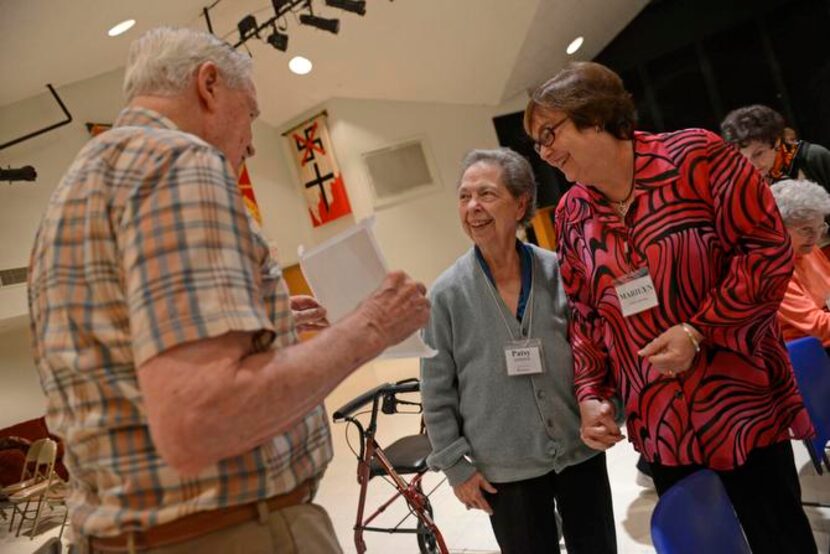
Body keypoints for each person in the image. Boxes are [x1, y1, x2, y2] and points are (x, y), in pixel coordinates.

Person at [27, 27, 430, 554]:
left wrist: (250, 312)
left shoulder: (75, 191)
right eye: (251, 113)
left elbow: (125, 348)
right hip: (232, 534)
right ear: (209, 85)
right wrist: (373, 325)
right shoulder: (179, 162)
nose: (252, 140)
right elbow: (201, 421)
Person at [524, 62, 817, 554]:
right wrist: (593, 391)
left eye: (550, 133)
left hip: (739, 402)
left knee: (779, 537)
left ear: (595, 118)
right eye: (537, 143)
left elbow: (766, 251)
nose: (545, 151)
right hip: (661, 418)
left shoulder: (697, 158)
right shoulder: (573, 214)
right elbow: (586, 315)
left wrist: (698, 330)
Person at [420, 148, 617, 554]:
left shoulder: (560, 271)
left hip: (579, 450)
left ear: (521, 202)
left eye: (486, 195)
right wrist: (457, 467)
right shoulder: (446, 295)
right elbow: (436, 391)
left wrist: (609, 405)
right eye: (463, 196)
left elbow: (599, 349)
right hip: (505, 469)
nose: (472, 207)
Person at [770, 179, 830, 346]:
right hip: (803, 352)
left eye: (820, 227)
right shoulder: (772, 270)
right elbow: (818, 325)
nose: (816, 237)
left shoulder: (807, 249)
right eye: (806, 230)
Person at [721, 104, 830, 190]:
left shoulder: (813, 158)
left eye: (759, 153)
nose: (753, 164)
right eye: (743, 158)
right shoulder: (741, 183)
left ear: (777, 142)